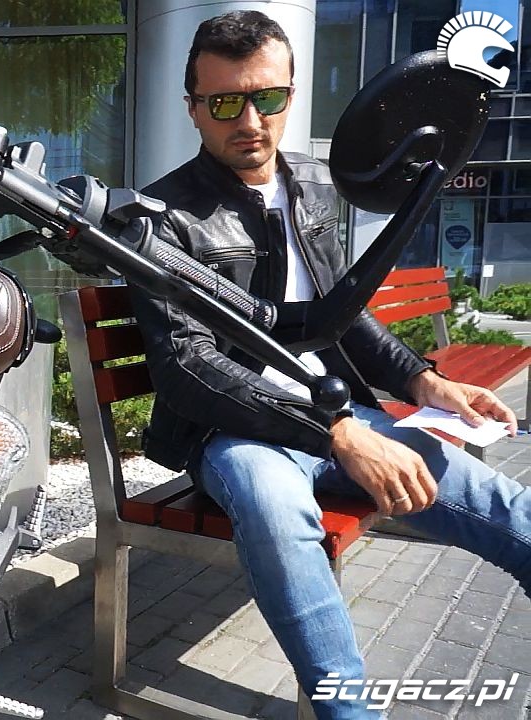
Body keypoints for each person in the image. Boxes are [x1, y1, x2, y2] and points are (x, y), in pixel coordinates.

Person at [125, 11, 531, 720]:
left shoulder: (314, 184)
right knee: (277, 511)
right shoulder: (160, 216)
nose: (249, 120)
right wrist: (340, 435)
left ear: (290, 94)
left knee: (502, 506)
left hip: (339, 415)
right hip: (236, 432)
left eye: (267, 97)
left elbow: (344, 312)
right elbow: (187, 367)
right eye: (224, 103)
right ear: (191, 108)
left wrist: (425, 382)